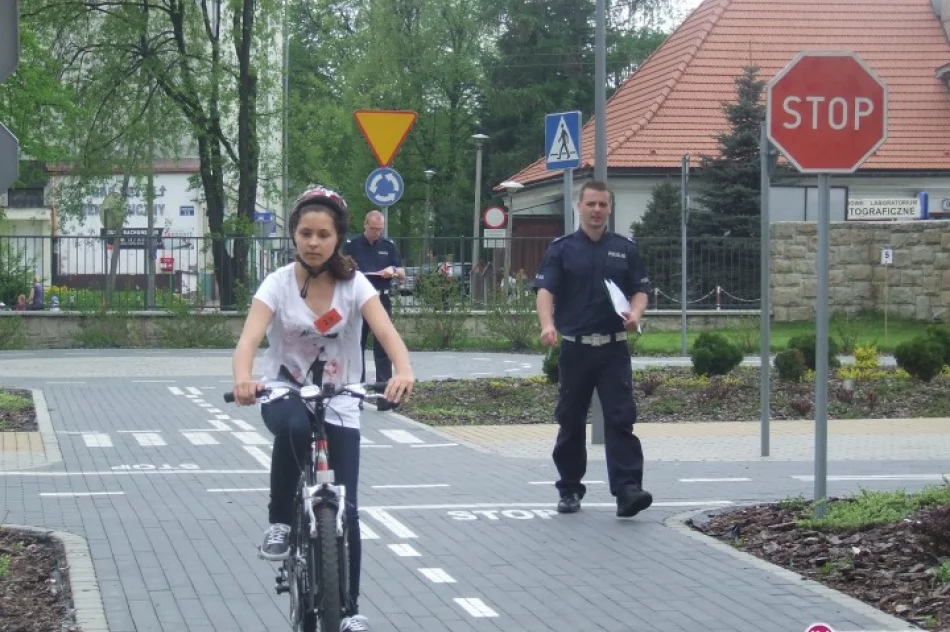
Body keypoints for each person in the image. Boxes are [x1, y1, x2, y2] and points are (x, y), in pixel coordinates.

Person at [231, 186, 415, 632]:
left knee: (346, 508)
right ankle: (279, 522)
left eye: (323, 234)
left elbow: (386, 333)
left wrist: (403, 370)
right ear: (294, 236)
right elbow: (250, 338)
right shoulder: (277, 283)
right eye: (306, 233)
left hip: (341, 398)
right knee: (293, 427)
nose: (314, 242)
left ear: (338, 239)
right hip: (283, 390)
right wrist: (243, 377)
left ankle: (349, 610)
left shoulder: (355, 285)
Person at [533, 180, 654, 518]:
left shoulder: (625, 248)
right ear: (579, 207)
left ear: (610, 208)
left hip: (614, 349)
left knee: (621, 418)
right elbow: (545, 291)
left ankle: (628, 491)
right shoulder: (561, 249)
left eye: (602, 205)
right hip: (576, 349)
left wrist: (636, 313)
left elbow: (640, 290)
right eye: (591, 204)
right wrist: (547, 324)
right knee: (571, 420)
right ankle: (570, 489)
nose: (597, 210)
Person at [344, 210, 406, 411]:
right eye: (373, 229)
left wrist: (393, 272)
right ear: (365, 225)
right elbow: (340, 268)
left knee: (383, 348)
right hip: (358, 302)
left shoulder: (388, 246)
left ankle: (384, 397)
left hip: (381, 298)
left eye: (380, 230)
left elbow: (401, 272)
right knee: (356, 347)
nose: (377, 233)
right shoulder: (352, 245)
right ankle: (356, 395)